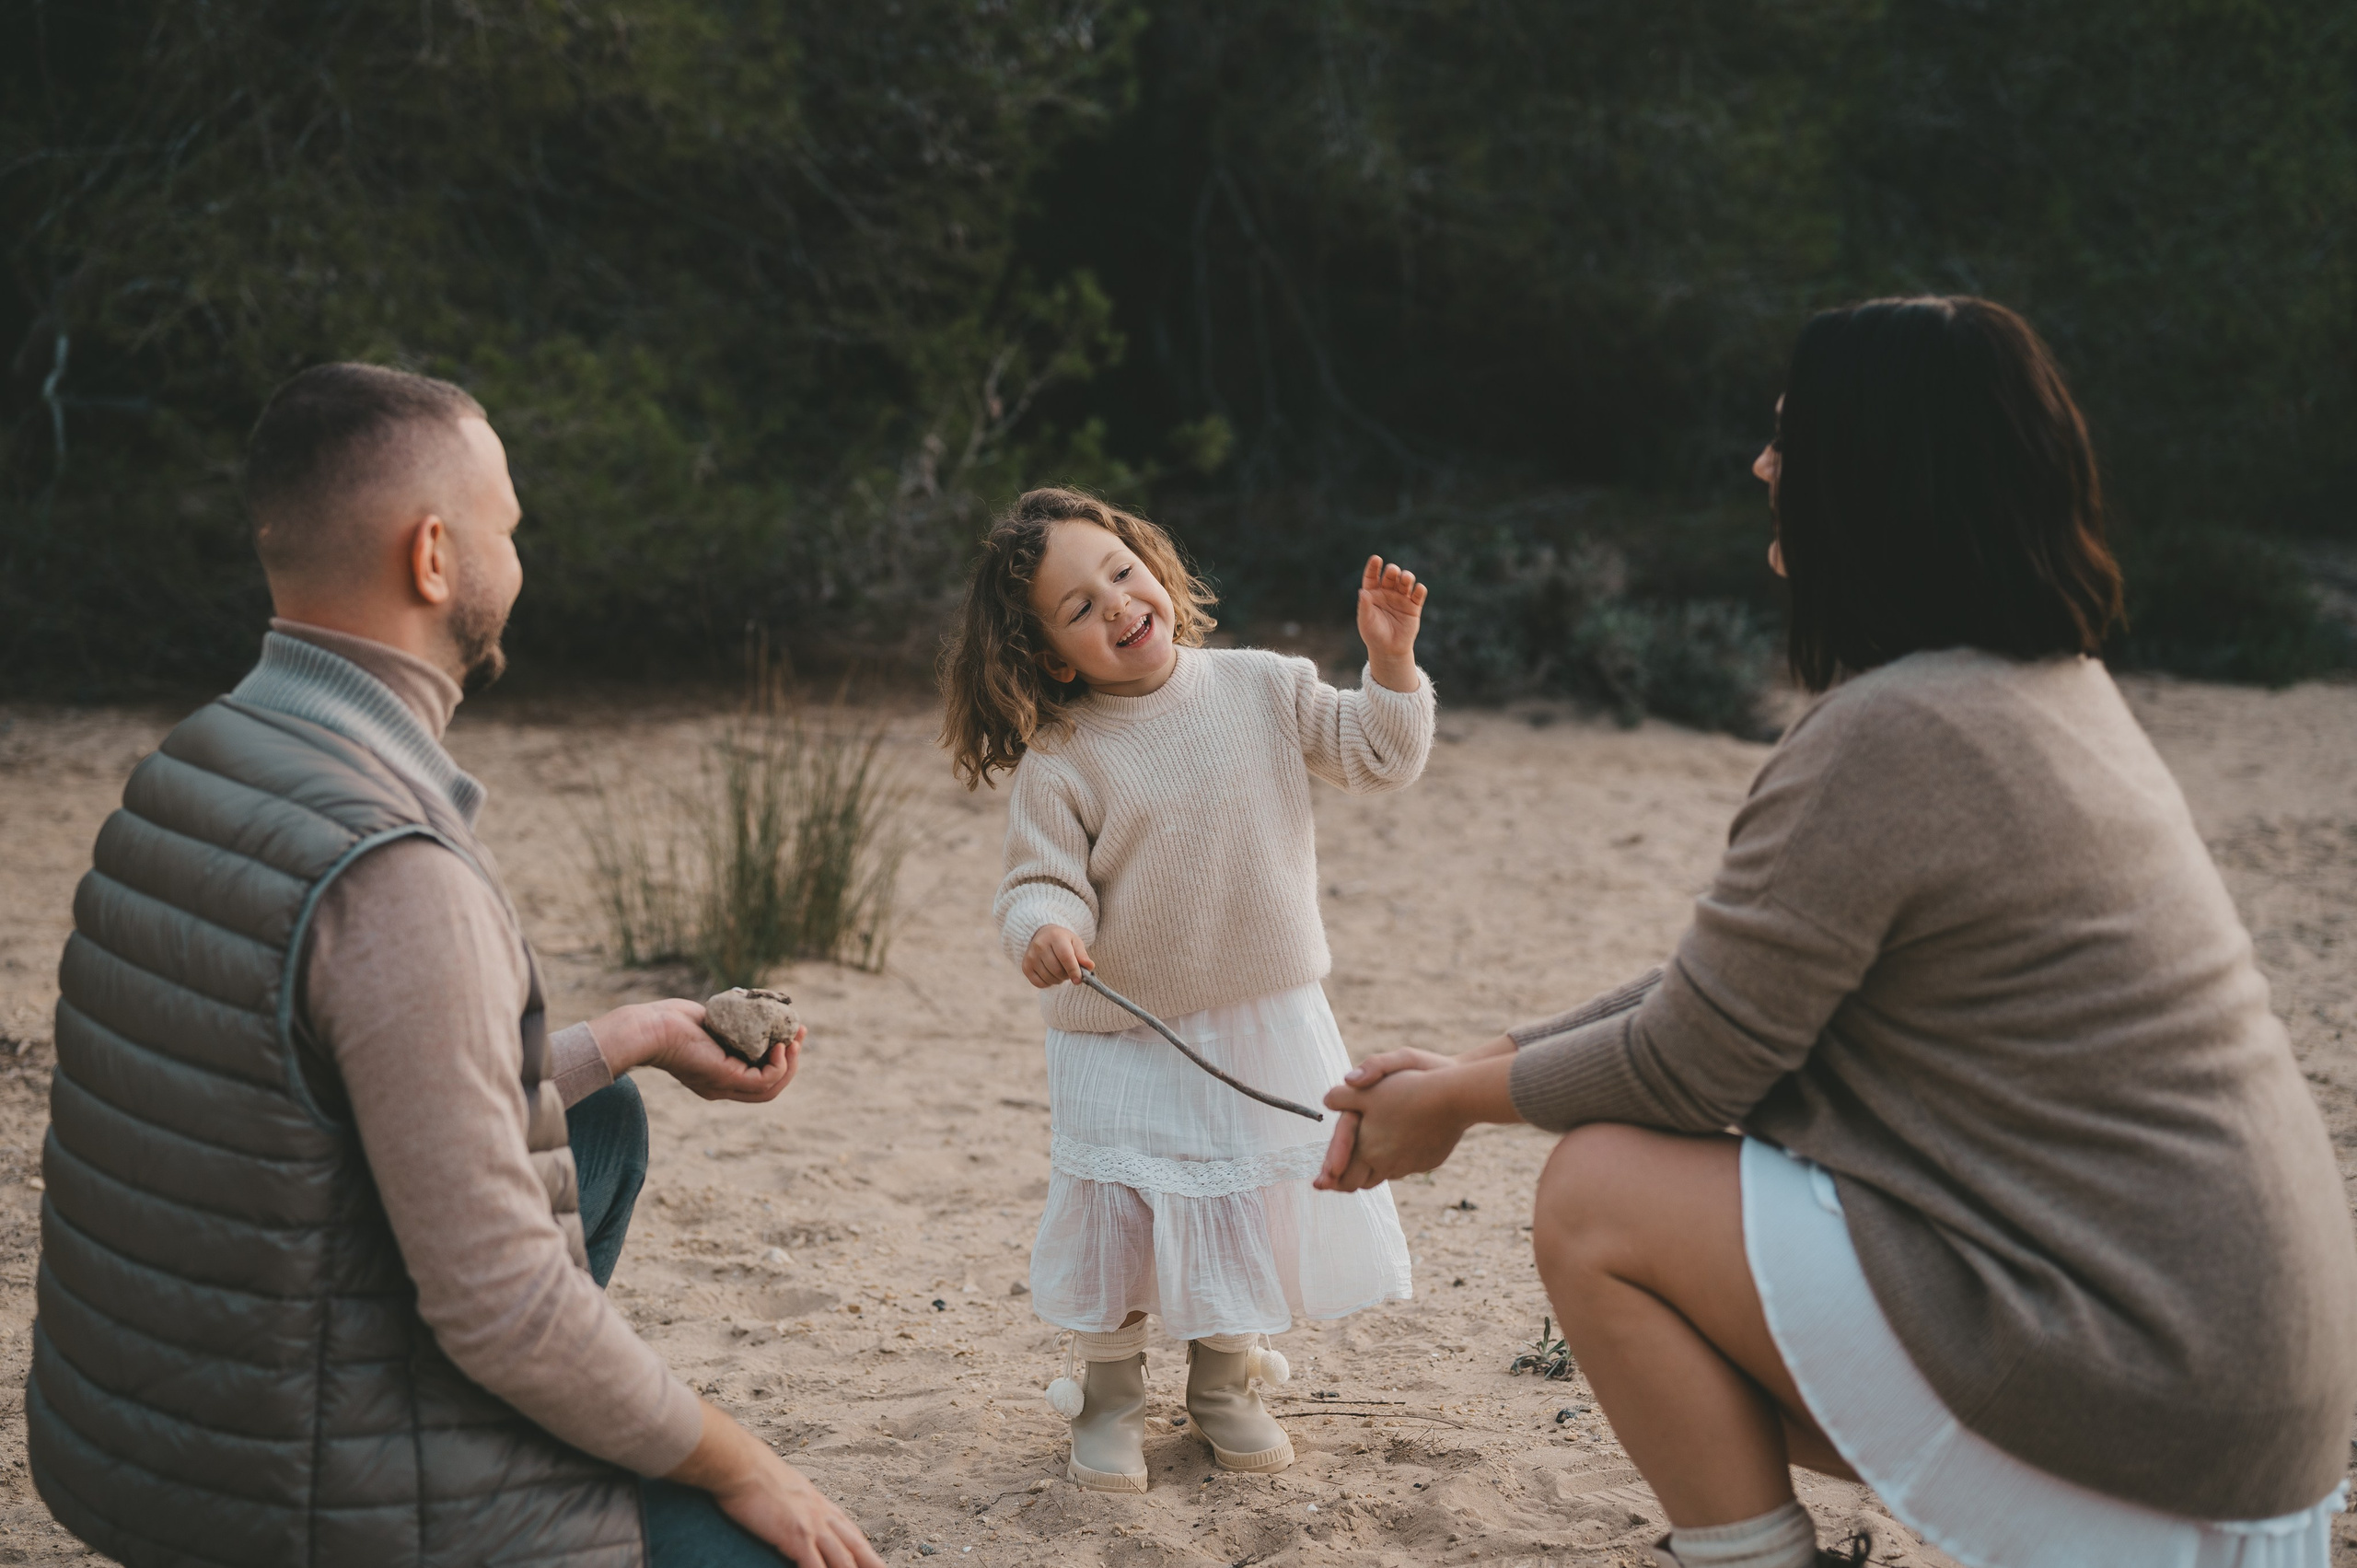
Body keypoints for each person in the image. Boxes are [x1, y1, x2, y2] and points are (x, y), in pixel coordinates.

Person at [1314, 297, 2357, 1568]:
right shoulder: (2041, 691)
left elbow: (1695, 1064)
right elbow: (1734, 991)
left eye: (1790, 439)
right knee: (1683, 1245)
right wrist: (1472, 1056)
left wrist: (1461, 1103)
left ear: (1879, 471)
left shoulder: (1897, 732)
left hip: (2152, 1411)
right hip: (2241, 1408)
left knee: (1598, 1196)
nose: (1763, 468)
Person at [27, 363, 885, 1568]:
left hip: (143, 1440)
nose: (521, 562)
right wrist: (748, 1464)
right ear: (435, 558)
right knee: (781, 1548)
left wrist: (635, 1029)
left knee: (608, 1121)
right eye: (510, 529)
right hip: (292, 1500)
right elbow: (504, 1308)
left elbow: (358, 1100)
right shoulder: (391, 870)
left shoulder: (206, 755)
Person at [936, 487, 1433, 1491]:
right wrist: (1045, 928)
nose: (1117, 604)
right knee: (1120, 1208)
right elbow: (1037, 878)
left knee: (1243, 1194)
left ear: (1153, 567)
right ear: (1047, 655)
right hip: (1122, 1024)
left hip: (1259, 1008)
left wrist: (1389, 659)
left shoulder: (1263, 685)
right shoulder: (1064, 755)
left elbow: (1380, 755)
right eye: (1078, 607)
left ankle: (1223, 1385)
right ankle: (1111, 1397)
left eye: (1120, 572)